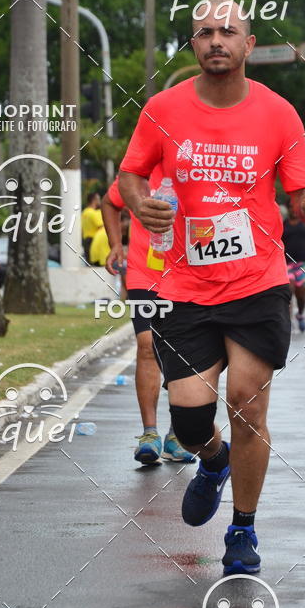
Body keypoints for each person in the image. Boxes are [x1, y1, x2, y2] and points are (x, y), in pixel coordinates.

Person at [118, 0, 305, 575]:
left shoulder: (279, 113)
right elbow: (131, 171)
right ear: (193, 45)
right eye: (205, 32)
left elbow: (299, 197)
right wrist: (141, 204)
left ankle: (243, 531)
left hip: (257, 281)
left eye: (228, 32)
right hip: (185, 285)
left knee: (247, 404)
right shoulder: (163, 108)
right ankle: (211, 462)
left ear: (247, 42)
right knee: (190, 422)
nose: (216, 40)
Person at [102, 178, 195, 465]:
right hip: (144, 272)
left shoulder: (194, 165)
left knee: (184, 353)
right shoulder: (137, 174)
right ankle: (149, 434)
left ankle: (176, 436)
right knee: (146, 345)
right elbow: (110, 201)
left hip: (187, 274)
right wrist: (116, 244)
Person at [281, 205, 305, 332]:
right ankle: (288, 319)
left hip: (302, 263)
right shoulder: (283, 224)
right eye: (291, 207)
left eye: (295, 208)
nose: (293, 210)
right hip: (285, 262)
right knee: (289, 288)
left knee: (301, 292)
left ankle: (300, 314)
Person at [81, 191, 102, 263]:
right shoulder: (93, 213)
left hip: (86, 240)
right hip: (94, 240)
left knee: (89, 263)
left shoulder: (84, 212)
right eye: (99, 199)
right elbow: (101, 227)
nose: (100, 201)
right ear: (94, 200)